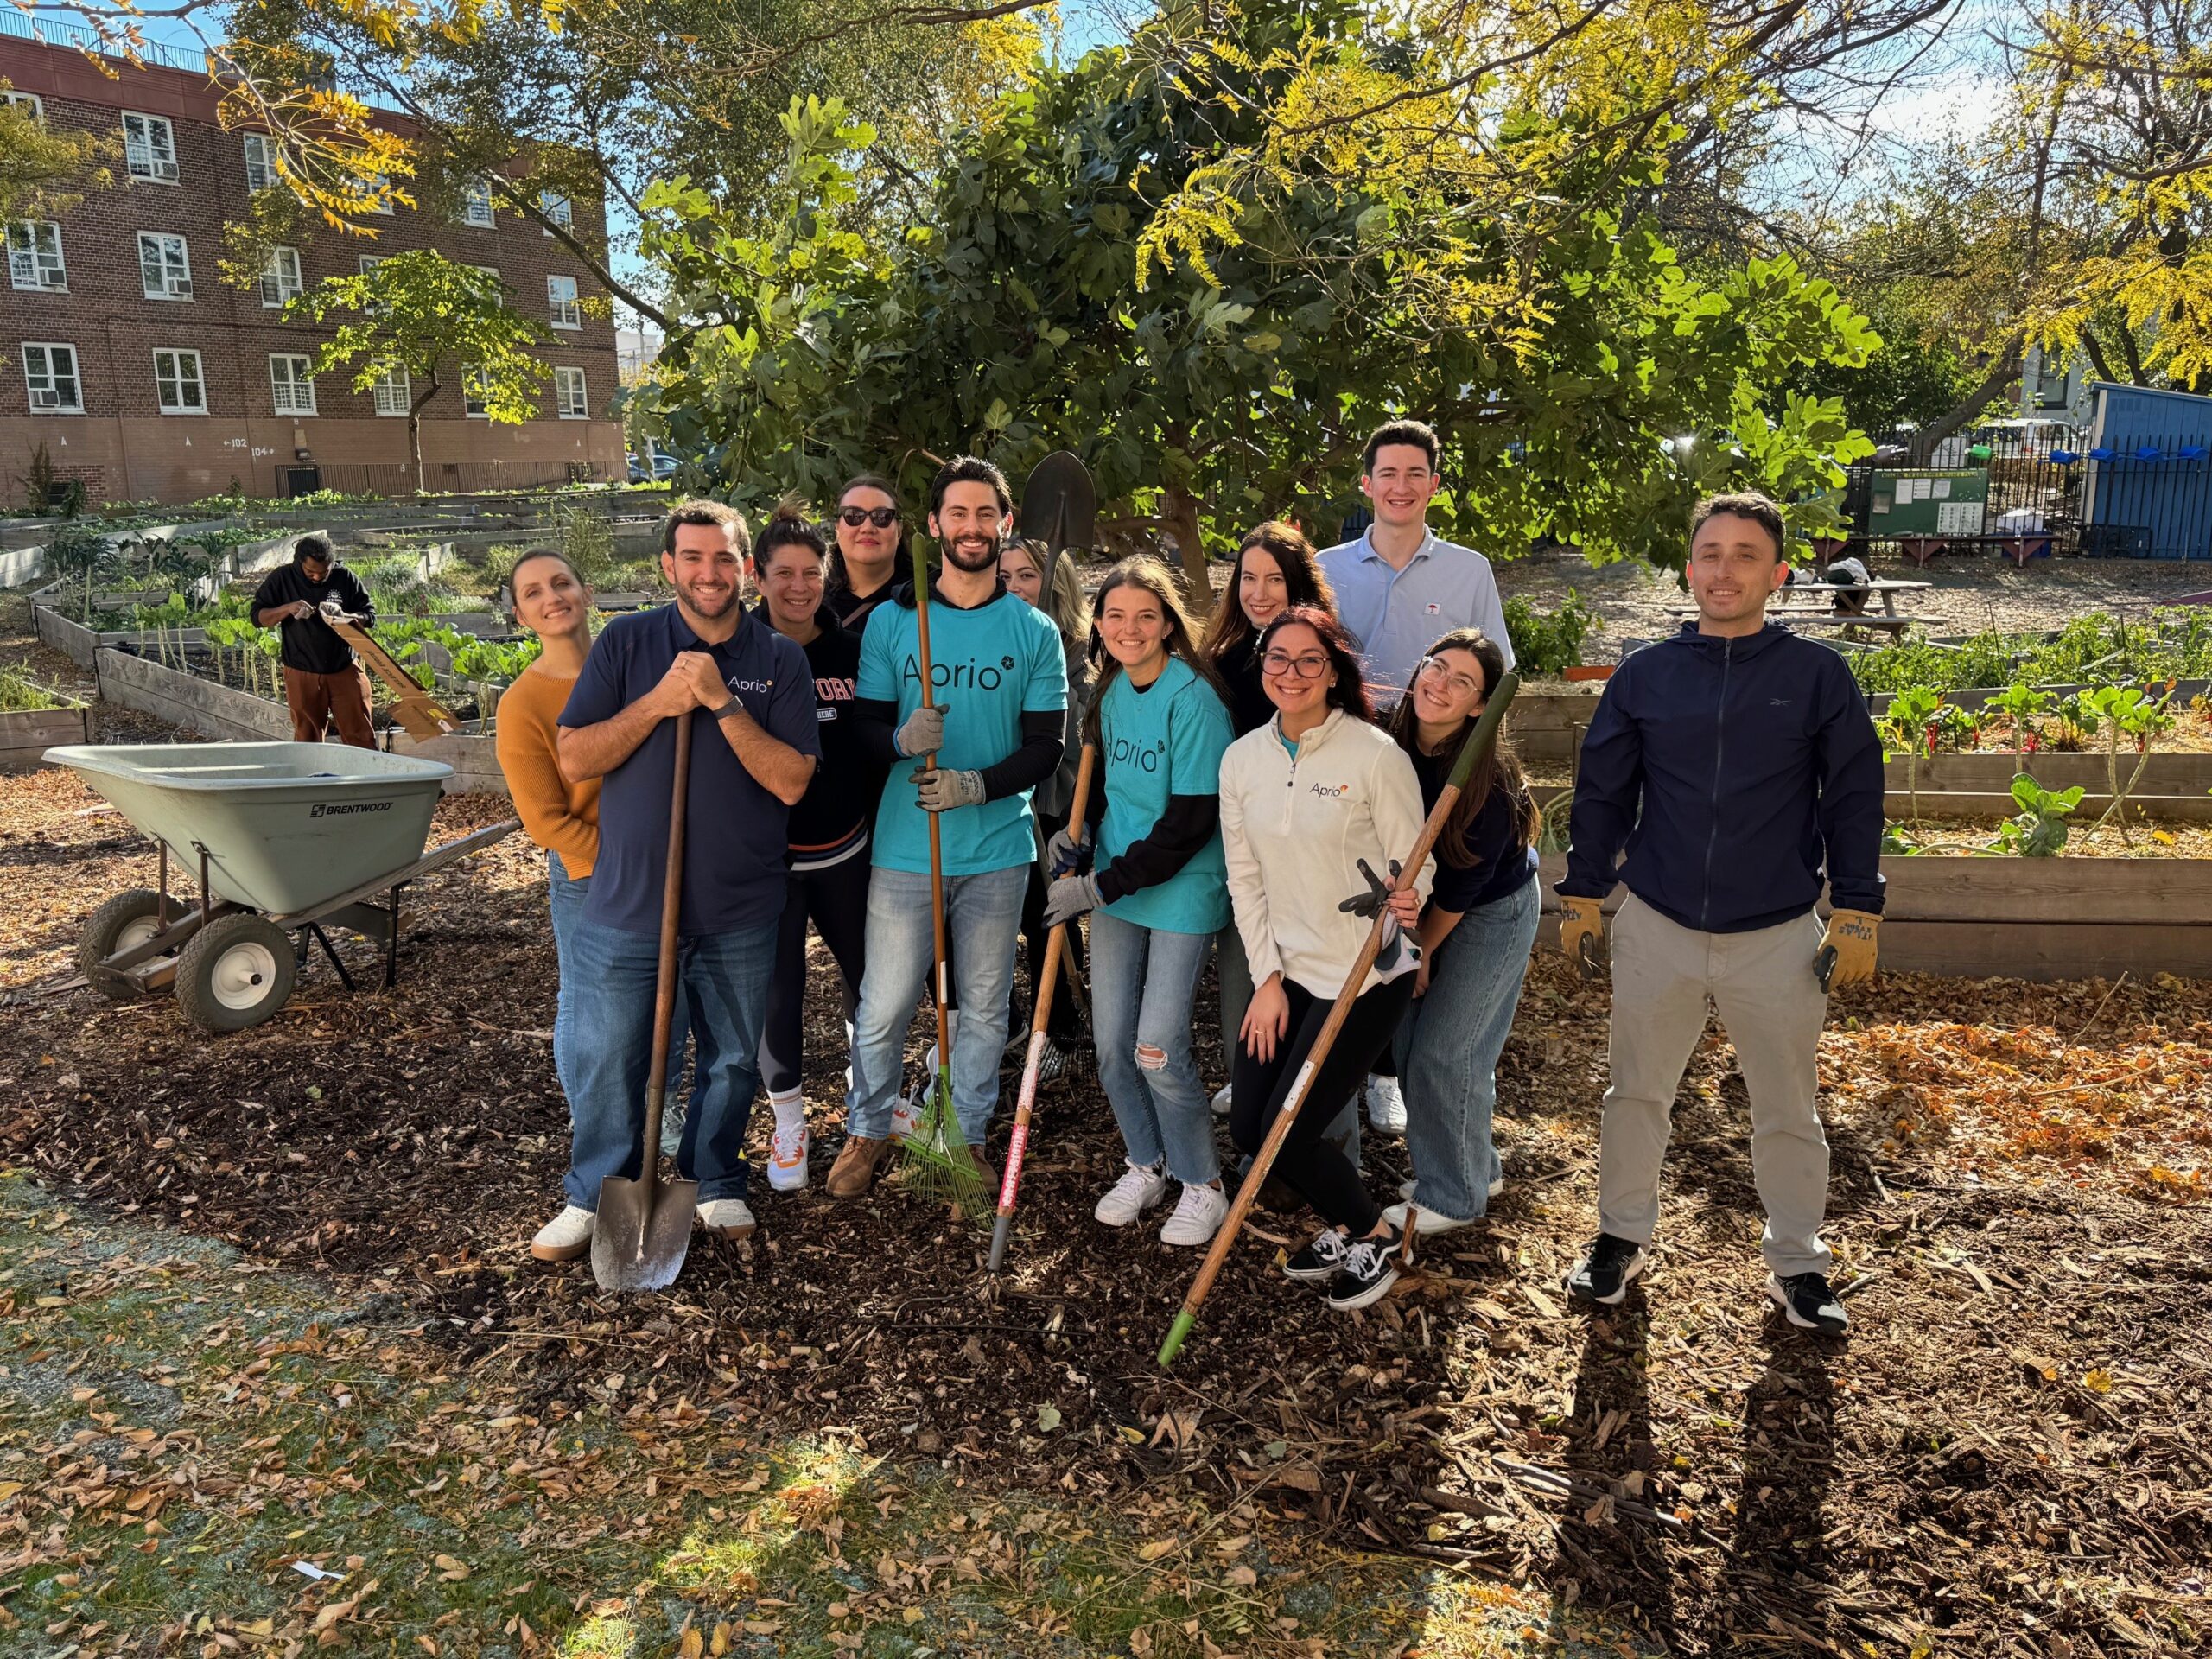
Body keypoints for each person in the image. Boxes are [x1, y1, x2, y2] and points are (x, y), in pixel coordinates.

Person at [1558, 492, 1884, 1336]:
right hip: (1657, 928)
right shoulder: (1644, 676)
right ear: (1689, 567)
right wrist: (1583, 893)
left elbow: (1852, 798)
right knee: (1635, 1094)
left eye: (1745, 555)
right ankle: (1618, 1240)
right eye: (1710, 553)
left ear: (1776, 575)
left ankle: (1799, 1262)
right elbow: (1601, 793)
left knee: (1786, 1107)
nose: (1724, 569)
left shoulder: (1816, 678)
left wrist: (1856, 908)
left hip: (1776, 935)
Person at [530, 500, 820, 1260]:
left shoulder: (778, 660)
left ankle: (716, 1177)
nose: (709, 573)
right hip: (627, 903)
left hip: (740, 904)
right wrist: (660, 702)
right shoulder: (629, 644)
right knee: (606, 1057)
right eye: (693, 558)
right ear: (668, 567)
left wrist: (721, 703)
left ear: (747, 569)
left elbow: (792, 782)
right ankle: (596, 1193)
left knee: (728, 1057)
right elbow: (576, 759)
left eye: (724, 558)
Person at [829, 456, 1069, 1199]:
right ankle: (868, 1128)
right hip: (906, 851)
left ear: (1004, 525)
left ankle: (963, 1137)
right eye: (956, 514)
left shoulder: (1033, 629)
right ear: (933, 527)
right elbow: (863, 730)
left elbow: (1044, 747)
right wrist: (901, 740)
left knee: (985, 1011)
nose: (971, 528)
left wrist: (974, 786)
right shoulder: (899, 623)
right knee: (885, 1006)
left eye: (984, 514)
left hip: (996, 851)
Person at [1218, 605, 1430, 1312]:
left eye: (1310, 660)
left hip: (1364, 977)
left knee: (1291, 1131)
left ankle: (1376, 1234)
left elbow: (1413, 867)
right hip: (1290, 977)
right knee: (1252, 1128)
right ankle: (1348, 1222)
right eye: (1278, 659)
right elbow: (1244, 880)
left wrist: (1407, 901)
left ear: (1334, 671)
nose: (1292, 673)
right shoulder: (1242, 759)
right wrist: (1267, 980)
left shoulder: (1374, 755)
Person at [1319, 420, 1513, 1134]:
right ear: (1366, 484)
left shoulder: (1469, 571)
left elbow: (1496, 678)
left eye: (1415, 474)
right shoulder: (1327, 568)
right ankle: (1334, 1055)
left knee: (1416, 913)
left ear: (1435, 485)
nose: (1400, 487)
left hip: (1432, 768)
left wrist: (1473, 777)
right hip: (1347, 766)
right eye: (1387, 474)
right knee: (1351, 908)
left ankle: (1388, 1073)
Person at [1042, 556, 1235, 1247]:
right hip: (1119, 882)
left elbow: (1186, 826)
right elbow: (1108, 792)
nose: (1129, 628)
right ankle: (1145, 1163)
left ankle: (1202, 1182)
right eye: (1115, 615)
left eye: (1145, 616)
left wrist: (1092, 888)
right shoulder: (1111, 692)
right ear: (1099, 623)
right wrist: (1084, 838)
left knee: (1156, 1045)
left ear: (1168, 625)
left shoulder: (1194, 701)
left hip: (1179, 888)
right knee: (1112, 1046)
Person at [495, 550, 688, 1223]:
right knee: (593, 1012)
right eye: (534, 593)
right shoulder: (524, 703)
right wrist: (624, 861)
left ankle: (654, 1114)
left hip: (669, 862)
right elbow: (546, 820)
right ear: (520, 615)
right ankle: (600, 1134)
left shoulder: (634, 664)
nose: (553, 598)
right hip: (592, 873)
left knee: (670, 994)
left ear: (587, 590)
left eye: (562, 583)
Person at [1379, 629, 1539, 1239]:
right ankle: (1475, 1168)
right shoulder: (1393, 737)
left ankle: (1453, 1196)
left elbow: (1461, 893)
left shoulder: (1487, 783)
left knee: (1449, 1051)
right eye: (1435, 666)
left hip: (1489, 913)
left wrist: (1420, 951)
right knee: (1413, 1046)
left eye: (1462, 681)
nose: (1439, 684)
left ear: (1480, 706)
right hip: (1423, 904)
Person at [748, 505, 880, 1195]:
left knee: (870, 980)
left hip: (845, 849)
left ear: (825, 578)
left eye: (810, 573)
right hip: (768, 858)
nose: (798, 587)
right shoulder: (737, 653)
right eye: (783, 574)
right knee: (779, 992)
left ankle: (868, 1107)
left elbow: (875, 743)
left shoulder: (852, 651)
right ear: (758, 576)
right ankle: (790, 1122)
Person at [1197, 524, 1338, 1119]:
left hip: (1312, 865)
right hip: (1247, 864)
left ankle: (1316, 1134)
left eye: (1274, 579)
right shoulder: (1221, 666)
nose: (1259, 592)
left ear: (1299, 584)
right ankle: (1258, 1122)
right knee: (1247, 997)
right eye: (1247, 578)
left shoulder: (1325, 662)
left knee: (1312, 1004)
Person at [1000, 536, 1090, 1077]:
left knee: (1048, 915)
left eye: (1027, 575)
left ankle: (1058, 1030)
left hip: (1054, 801)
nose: (1014, 587)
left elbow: (1075, 738)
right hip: (999, 796)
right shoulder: (991, 637)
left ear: (1054, 581)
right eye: (1004, 576)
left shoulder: (1075, 648)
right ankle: (1011, 1026)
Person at [251, 532, 378, 747]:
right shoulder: (283, 578)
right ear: (299, 562)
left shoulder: (345, 578)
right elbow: (258, 617)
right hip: (302, 670)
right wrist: (288, 608)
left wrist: (346, 617)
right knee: (307, 738)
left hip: (344, 668)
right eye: (311, 572)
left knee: (360, 734)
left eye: (324, 572)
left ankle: (365, 779)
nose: (318, 577)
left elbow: (370, 616)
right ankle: (313, 779)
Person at [826, 474, 912, 632]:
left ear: (899, 531)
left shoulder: (925, 596)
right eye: (853, 515)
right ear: (837, 528)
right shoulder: (813, 598)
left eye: (882, 517)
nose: (867, 528)